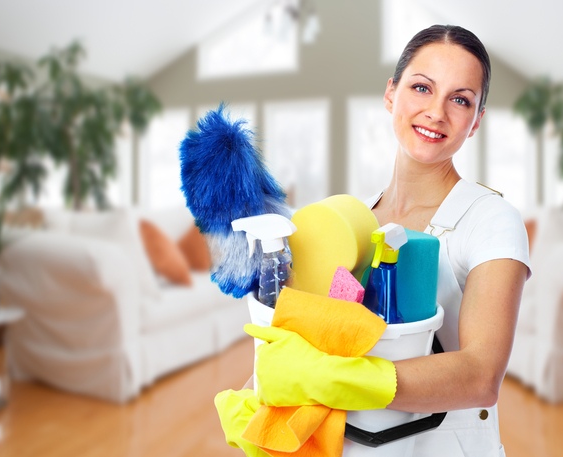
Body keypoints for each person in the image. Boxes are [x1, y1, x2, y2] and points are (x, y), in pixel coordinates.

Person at [217, 24, 530, 457]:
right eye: (422, 88)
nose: (436, 111)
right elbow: (307, 337)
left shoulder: (491, 220)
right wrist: (259, 392)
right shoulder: (348, 221)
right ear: (390, 94)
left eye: (460, 99)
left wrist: (339, 380)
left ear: (475, 121)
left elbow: (481, 376)